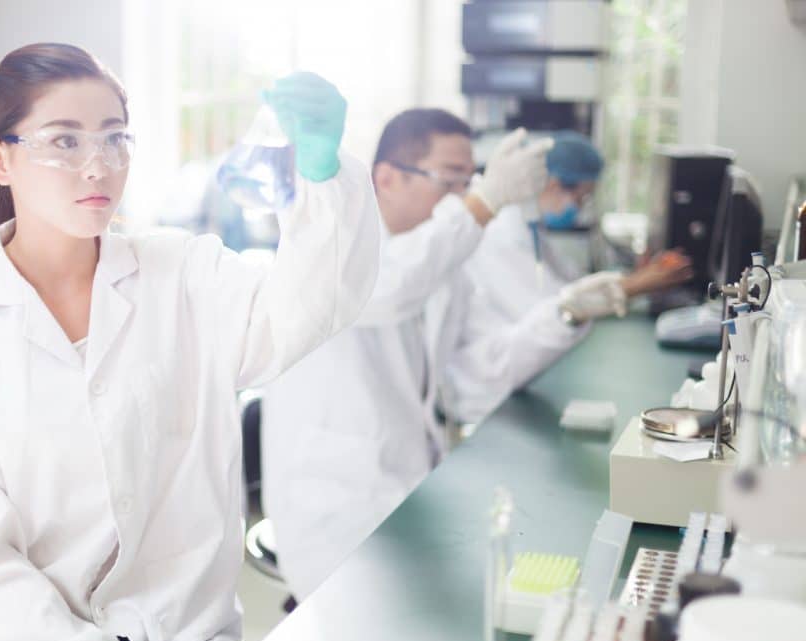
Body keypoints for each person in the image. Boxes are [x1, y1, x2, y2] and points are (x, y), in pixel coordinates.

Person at [0, 44, 380, 641]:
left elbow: (310, 310)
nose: (98, 166)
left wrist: (324, 172)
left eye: (115, 140)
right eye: (64, 142)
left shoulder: (184, 275)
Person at [261, 110, 690, 602]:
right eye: (450, 180)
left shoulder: (444, 264)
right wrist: (483, 202)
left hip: (408, 494)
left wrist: (565, 313)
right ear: (387, 178)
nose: (462, 195)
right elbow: (387, 289)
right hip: (335, 511)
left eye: (470, 180)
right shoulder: (336, 248)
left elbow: (474, 379)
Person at [448, 130, 693, 423]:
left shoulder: (529, 226)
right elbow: (554, 306)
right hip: (487, 390)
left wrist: (635, 280)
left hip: (517, 373)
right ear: (552, 184)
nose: (578, 208)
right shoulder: (501, 231)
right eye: (580, 197)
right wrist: (635, 285)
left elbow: (570, 282)